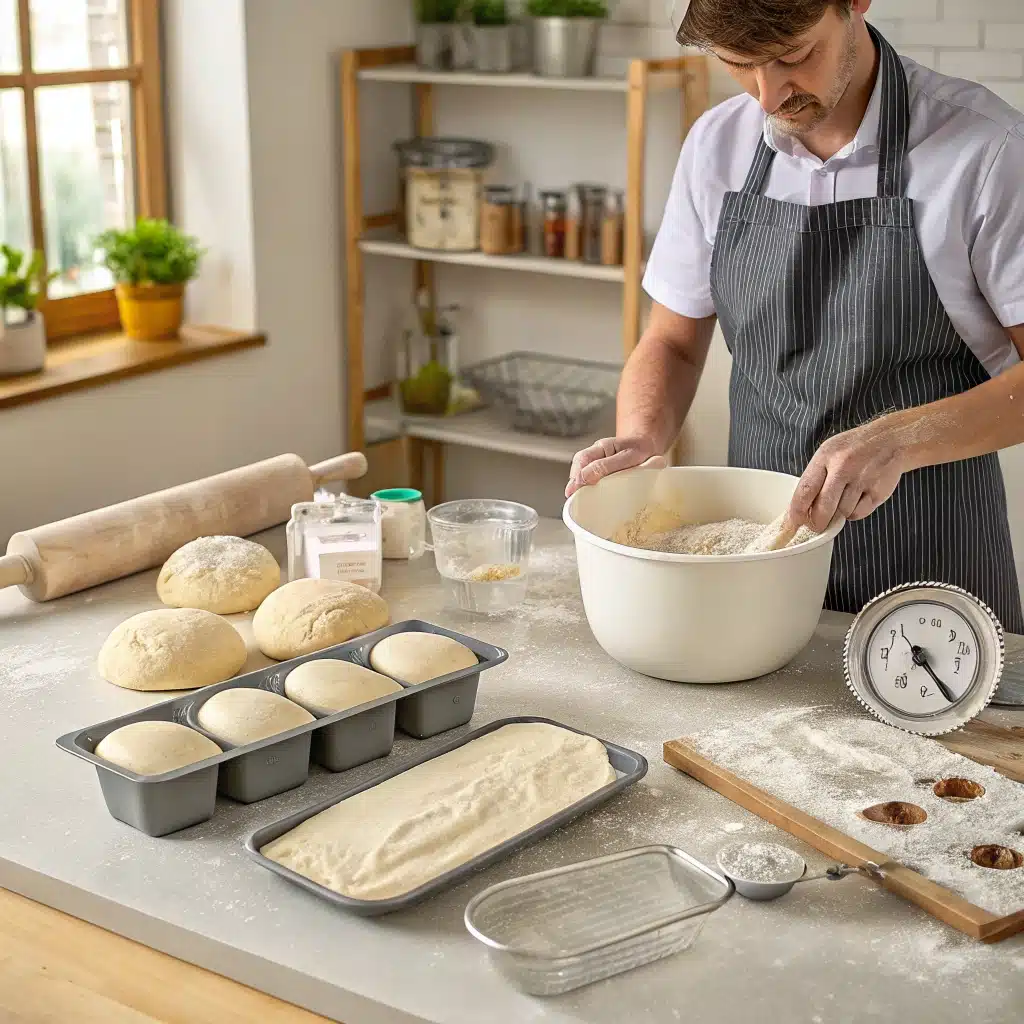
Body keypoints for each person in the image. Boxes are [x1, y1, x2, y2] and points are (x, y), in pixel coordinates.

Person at [565, 0, 1024, 631]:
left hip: (931, 583)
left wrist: (897, 440)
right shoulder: (716, 145)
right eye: (738, 66)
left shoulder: (985, 151)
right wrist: (643, 438)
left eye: (793, 56)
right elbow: (672, 342)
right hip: (755, 570)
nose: (767, 95)